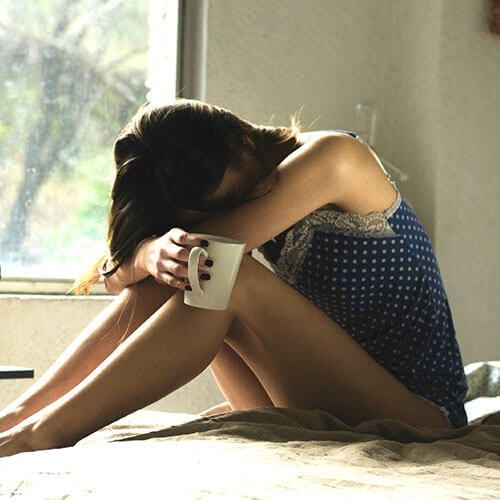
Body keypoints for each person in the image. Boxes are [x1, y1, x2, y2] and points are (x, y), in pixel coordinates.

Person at [0, 99, 468, 457]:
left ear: (244, 143)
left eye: (228, 199)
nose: (229, 211)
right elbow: (121, 279)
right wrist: (146, 252)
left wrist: (157, 253)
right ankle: (20, 418)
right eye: (205, 212)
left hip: (418, 414)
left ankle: (44, 434)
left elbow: (202, 256)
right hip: (319, 399)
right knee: (189, 269)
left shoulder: (336, 157)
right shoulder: (233, 178)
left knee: (221, 271)